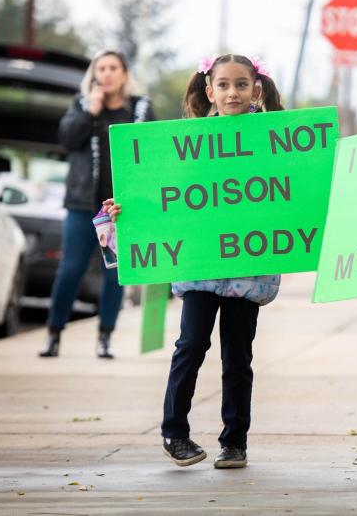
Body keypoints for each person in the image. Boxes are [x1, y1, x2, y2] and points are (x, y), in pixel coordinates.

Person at [105, 53, 282, 469]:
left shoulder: (274, 137)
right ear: (209, 91)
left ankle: (234, 441)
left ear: (256, 88)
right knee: (191, 345)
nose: (232, 92)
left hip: (248, 270)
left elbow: (294, 188)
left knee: (238, 356)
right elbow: (165, 192)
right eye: (223, 85)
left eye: (241, 84)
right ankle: (174, 432)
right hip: (199, 266)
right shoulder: (187, 140)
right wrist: (127, 209)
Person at [39, 51, 154, 359]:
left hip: (120, 210)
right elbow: (67, 140)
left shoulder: (140, 109)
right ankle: (54, 333)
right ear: (94, 74)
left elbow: (151, 150)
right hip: (82, 204)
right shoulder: (81, 105)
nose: (106, 73)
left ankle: (105, 336)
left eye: (113, 68)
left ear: (124, 74)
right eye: (100, 68)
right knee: (71, 269)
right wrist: (91, 110)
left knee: (115, 273)